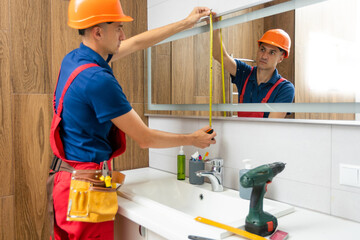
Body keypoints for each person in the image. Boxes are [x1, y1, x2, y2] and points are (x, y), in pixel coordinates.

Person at [47, 0, 215, 239]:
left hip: (64, 182)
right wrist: (192, 138)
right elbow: (145, 138)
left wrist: (186, 23)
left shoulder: (74, 59)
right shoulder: (98, 80)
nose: (123, 35)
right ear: (98, 32)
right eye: (118, 28)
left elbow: (137, 43)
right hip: (85, 190)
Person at [212, 23, 295, 118]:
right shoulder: (244, 73)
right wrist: (215, 28)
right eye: (262, 49)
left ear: (281, 58)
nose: (264, 56)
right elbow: (220, 55)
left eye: (272, 52)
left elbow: (271, 126)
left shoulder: (285, 88)